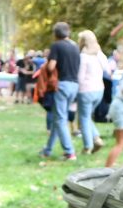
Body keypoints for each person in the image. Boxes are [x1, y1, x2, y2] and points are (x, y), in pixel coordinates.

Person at [42, 21, 81, 160]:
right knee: (58, 118)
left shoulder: (57, 46)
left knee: (60, 119)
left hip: (62, 84)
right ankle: (47, 150)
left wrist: (46, 66)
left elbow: (51, 66)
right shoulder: (75, 46)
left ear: (55, 34)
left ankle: (69, 152)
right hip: (74, 85)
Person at [75, 29, 109, 154]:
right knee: (87, 116)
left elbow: (80, 76)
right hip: (99, 90)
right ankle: (96, 138)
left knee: (83, 118)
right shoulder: (99, 55)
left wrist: (76, 90)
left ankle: (88, 146)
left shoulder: (83, 56)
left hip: (86, 91)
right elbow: (107, 69)